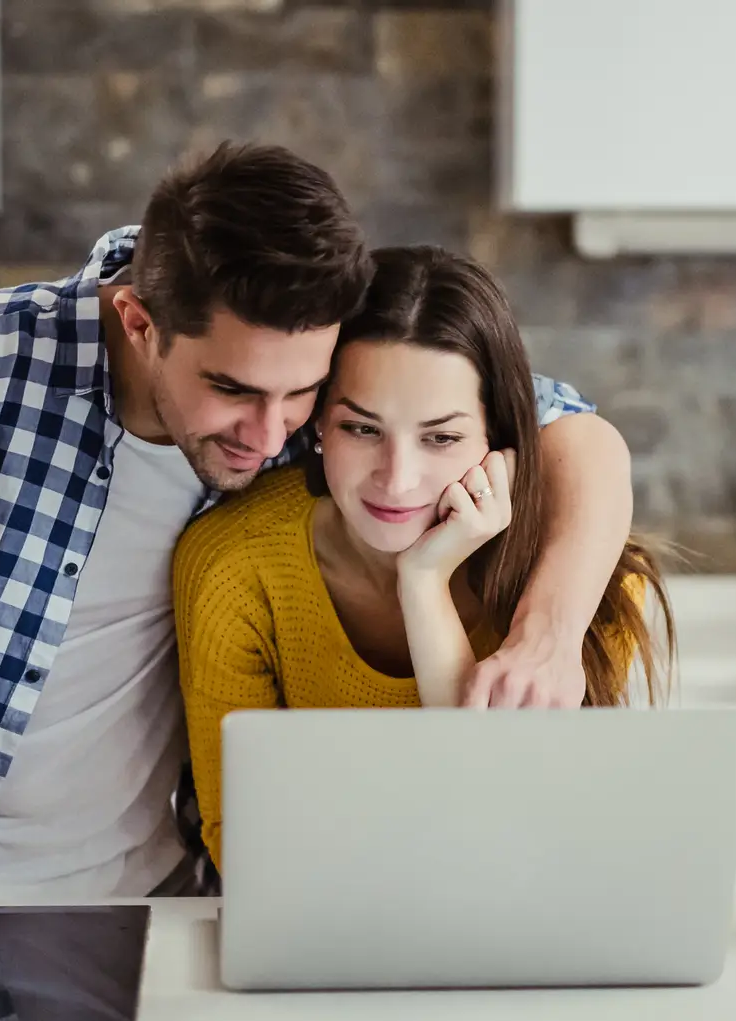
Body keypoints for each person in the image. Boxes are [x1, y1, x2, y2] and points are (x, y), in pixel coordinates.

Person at [0, 142, 639, 918]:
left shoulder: (315, 399)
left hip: (146, 917)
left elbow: (572, 432)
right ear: (137, 321)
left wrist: (545, 634)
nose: (268, 433)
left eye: (302, 397)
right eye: (233, 390)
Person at [174, 245, 677, 871]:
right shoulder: (234, 564)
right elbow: (242, 844)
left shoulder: (577, 577)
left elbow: (518, 841)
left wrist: (423, 582)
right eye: (361, 428)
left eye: (441, 437)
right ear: (317, 423)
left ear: (501, 440)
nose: (398, 479)